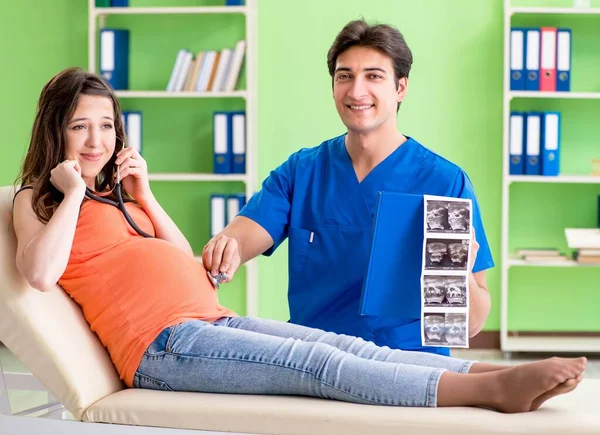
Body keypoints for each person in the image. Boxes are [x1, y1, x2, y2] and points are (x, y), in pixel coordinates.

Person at [11, 67, 585, 413]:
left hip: (212, 321)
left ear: (400, 88)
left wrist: (144, 192)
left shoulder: (123, 197)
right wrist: (74, 192)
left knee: (356, 351)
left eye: (107, 125)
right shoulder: (37, 200)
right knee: (317, 364)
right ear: (55, 127)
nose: (96, 139)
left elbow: (178, 259)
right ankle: (494, 392)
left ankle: (491, 375)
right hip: (164, 346)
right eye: (80, 125)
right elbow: (39, 273)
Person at [202, 19, 493, 356]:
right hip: (315, 363)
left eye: (374, 76)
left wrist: (458, 275)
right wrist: (226, 248)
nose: (356, 91)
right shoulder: (303, 171)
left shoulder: (442, 182)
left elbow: (470, 324)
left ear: (400, 88)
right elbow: (242, 237)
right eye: (344, 76)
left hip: (408, 367)